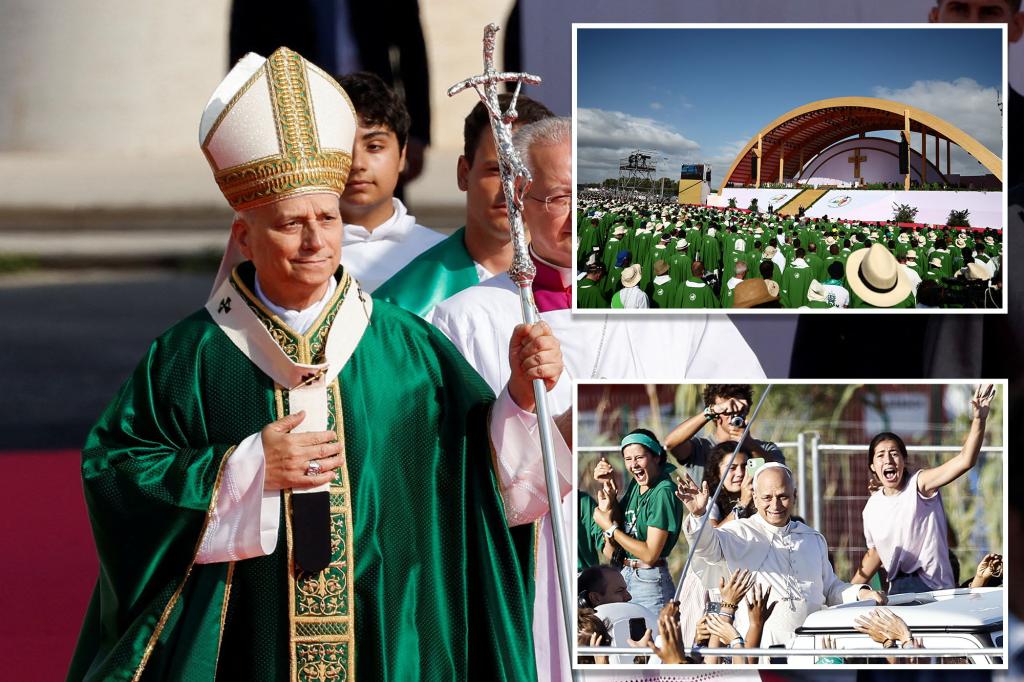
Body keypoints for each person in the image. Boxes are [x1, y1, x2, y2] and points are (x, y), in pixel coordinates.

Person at [67, 47, 565, 682]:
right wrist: (239, 470)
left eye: (326, 219)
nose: (315, 242)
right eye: (289, 225)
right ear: (243, 237)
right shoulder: (191, 355)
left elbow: (482, 478)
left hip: (390, 630)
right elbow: (116, 472)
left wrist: (519, 399)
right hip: (248, 642)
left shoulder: (406, 347)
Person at [429, 117, 763, 681]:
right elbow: (443, 483)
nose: (575, 215)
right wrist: (534, 424)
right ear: (518, 198)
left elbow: (737, 431)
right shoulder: (466, 320)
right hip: (526, 590)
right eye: (559, 196)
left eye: (583, 196)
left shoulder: (678, 315)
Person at [374, 94, 554, 316]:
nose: (509, 187)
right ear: (464, 174)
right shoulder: (403, 307)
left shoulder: (579, 289)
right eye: (496, 171)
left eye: (525, 173)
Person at [676, 463, 886, 648]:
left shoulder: (812, 538)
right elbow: (705, 547)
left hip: (810, 646)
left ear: (794, 496)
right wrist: (699, 515)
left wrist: (861, 593)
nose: (775, 505)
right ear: (755, 498)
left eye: (782, 496)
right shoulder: (738, 533)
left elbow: (830, 589)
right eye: (767, 497)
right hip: (760, 647)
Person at [228, 0, 432, 186]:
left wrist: (417, 133)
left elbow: (412, 51)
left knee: (380, 213)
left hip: (372, 114)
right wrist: (247, 139)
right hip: (294, 123)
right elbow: (244, 64)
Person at [852, 385, 995, 594]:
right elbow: (874, 554)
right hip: (899, 593)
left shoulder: (920, 484)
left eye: (894, 453)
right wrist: (844, 591)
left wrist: (979, 419)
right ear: (873, 466)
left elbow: (965, 460)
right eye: (881, 455)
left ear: (903, 460)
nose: (888, 459)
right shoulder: (871, 508)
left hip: (935, 593)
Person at [335, 71, 444, 291]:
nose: (357, 163)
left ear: (402, 155)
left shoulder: (442, 258)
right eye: (341, 146)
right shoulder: (299, 256)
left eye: (374, 146)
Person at [592, 429, 683, 613]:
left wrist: (609, 529)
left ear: (656, 457)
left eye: (639, 457)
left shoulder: (663, 491)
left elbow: (650, 554)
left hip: (649, 581)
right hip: (625, 576)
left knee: (651, 640)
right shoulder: (637, 484)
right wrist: (610, 493)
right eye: (628, 459)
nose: (633, 465)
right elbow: (623, 521)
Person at [663, 384, 783, 486]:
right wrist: (712, 411)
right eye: (727, 410)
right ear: (715, 415)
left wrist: (750, 445)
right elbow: (670, 443)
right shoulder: (699, 448)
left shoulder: (765, 449)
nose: (734, 415)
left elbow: (777, 473)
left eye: (739, 409)